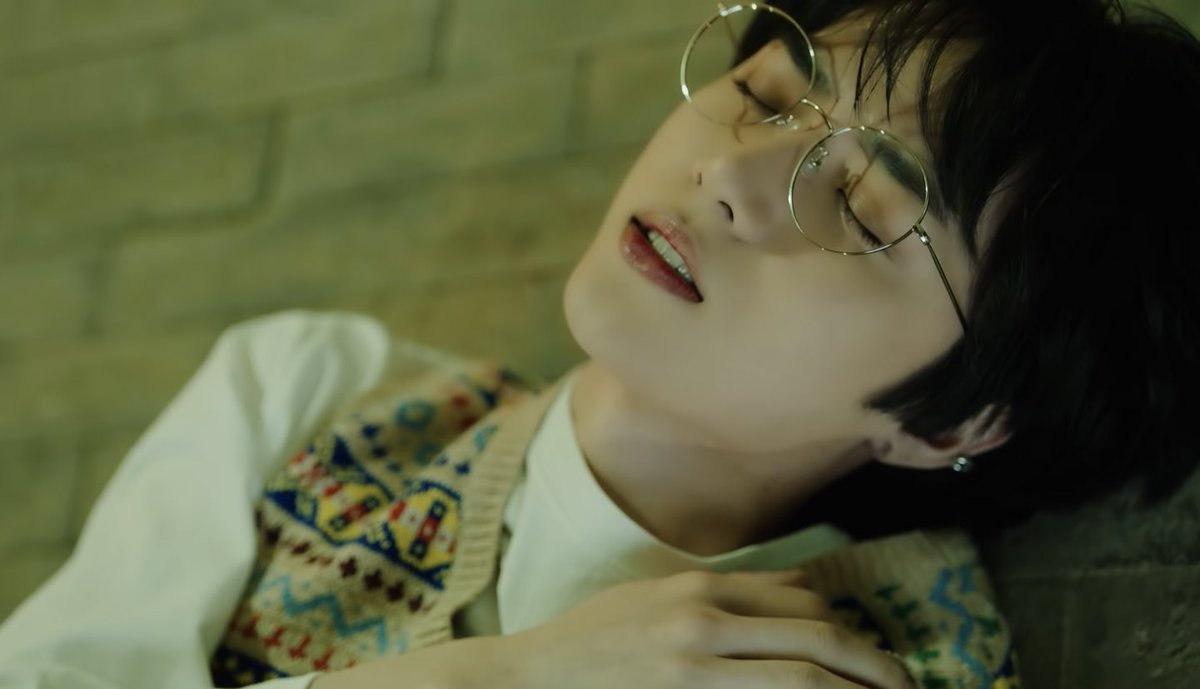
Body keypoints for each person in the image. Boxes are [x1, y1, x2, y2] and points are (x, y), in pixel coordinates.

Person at [2, 0, 1197, 687]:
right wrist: (511, 675)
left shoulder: (881, 664)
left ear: (957, 419)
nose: (729, 173)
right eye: (769, 94)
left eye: (863, 204)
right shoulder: (313, 386)